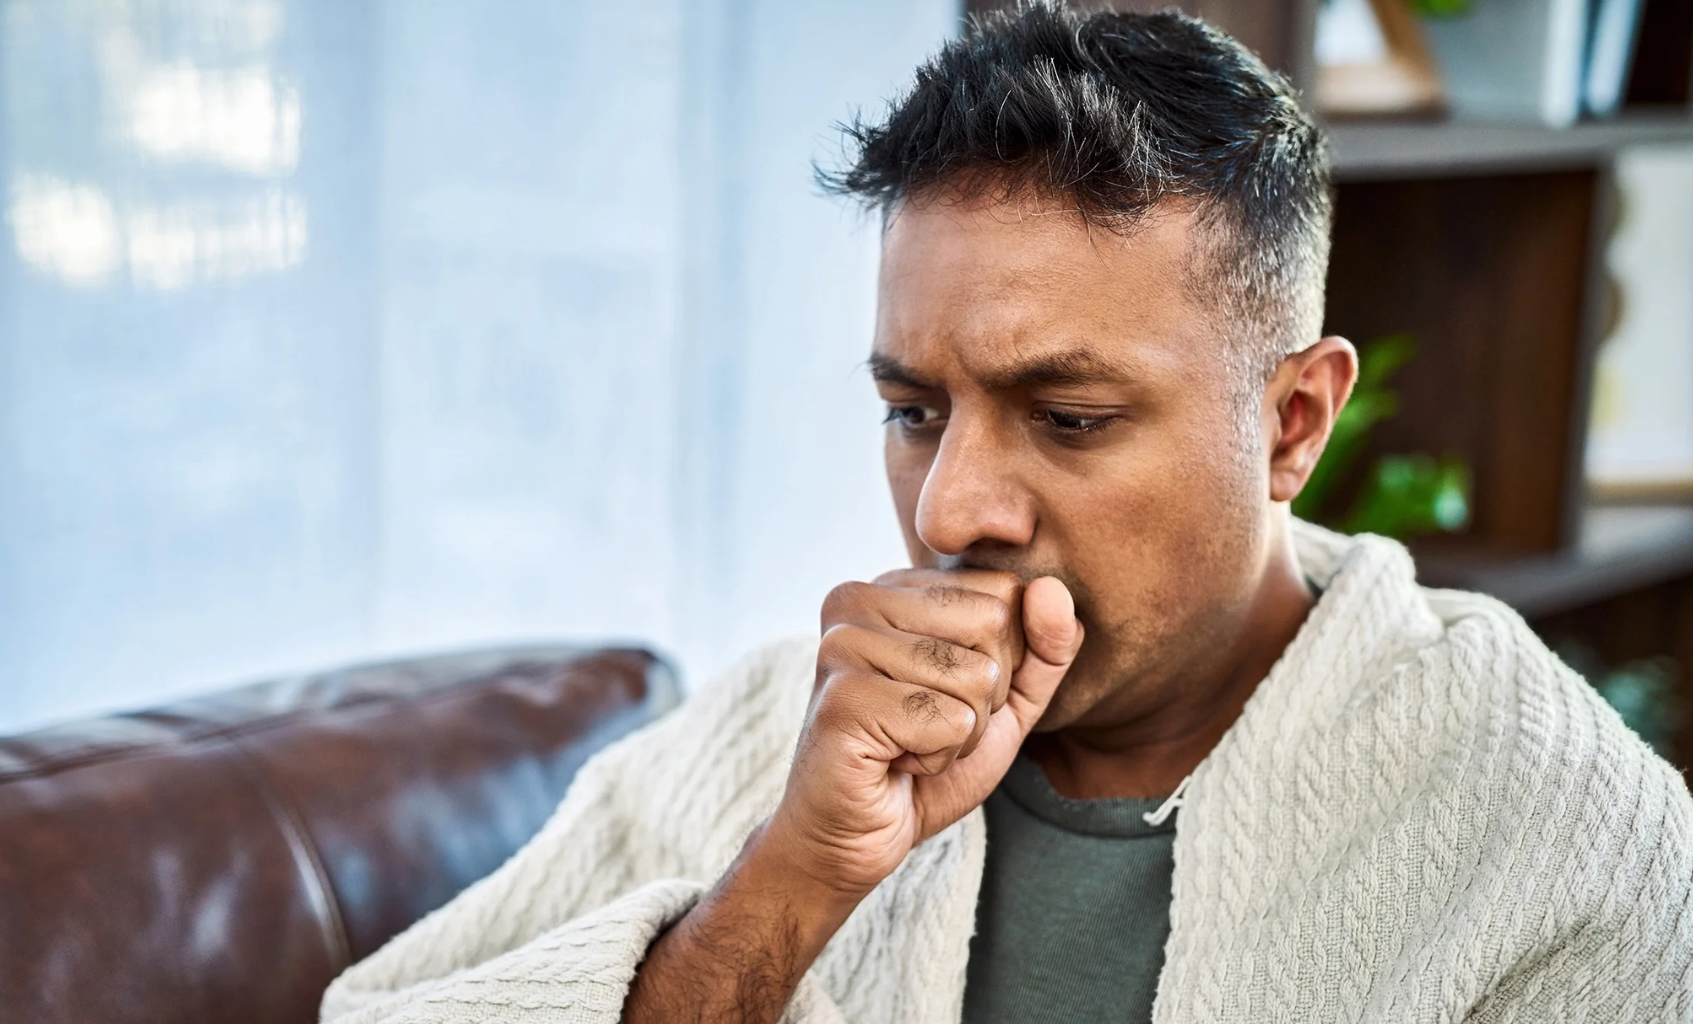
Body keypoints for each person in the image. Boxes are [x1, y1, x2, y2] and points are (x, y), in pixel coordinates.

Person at [320, 4, 1693, 1022]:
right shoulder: (774, 736)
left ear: (1293, 425)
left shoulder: (1549, 822)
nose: (955, 508)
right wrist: (785, 893)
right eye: (915, 411)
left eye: (1072, 417)